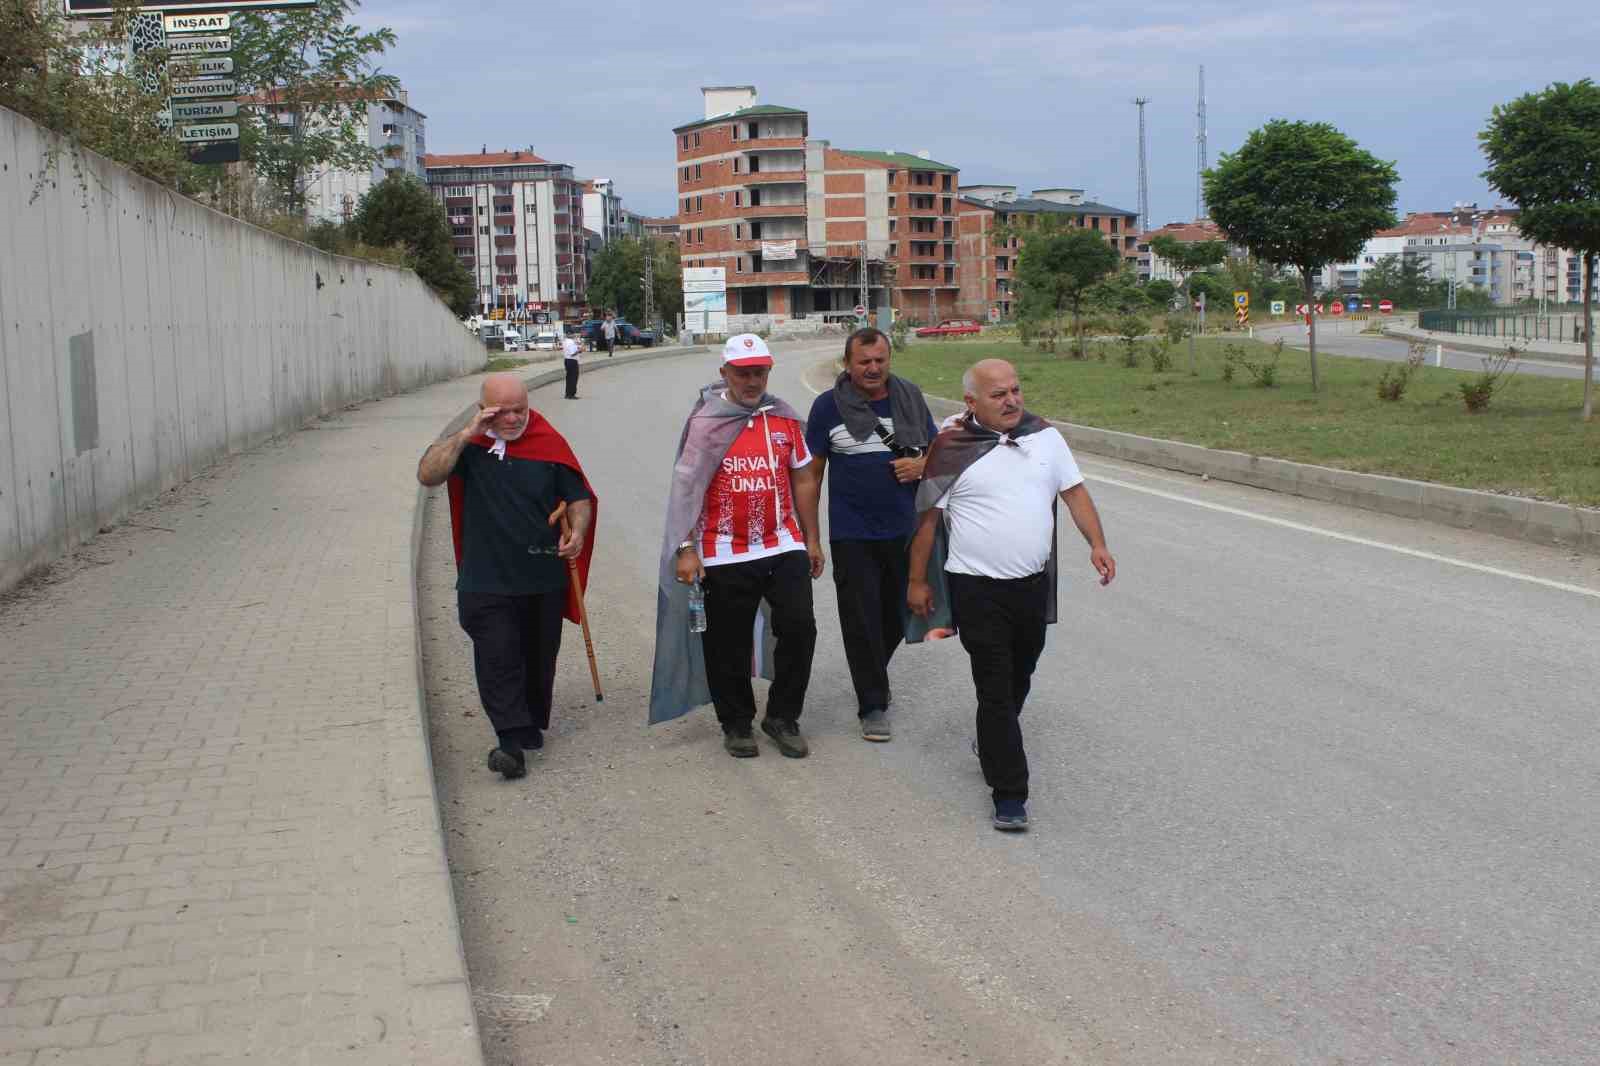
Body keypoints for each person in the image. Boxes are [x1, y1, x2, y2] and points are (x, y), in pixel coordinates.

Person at [906, 359, 1115, 831]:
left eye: (1016, 390)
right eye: (998, 394)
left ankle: (993, 737)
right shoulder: (951, 447)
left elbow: (1075, 494)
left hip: (1031, 585)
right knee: (995, 686)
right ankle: (1009, 793)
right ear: (971, 402)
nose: (1012, 400)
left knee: (1024, 668)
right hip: (975, 587)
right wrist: (917, 580)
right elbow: (927, 521)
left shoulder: (1045, 438)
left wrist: (1097, 545)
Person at [648, 334, 824, 759]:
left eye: (759, 371)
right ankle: (737, 722)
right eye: (743, 372)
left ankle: (782, 716)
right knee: (728, 640)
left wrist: (812, 539)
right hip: (723, 550)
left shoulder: (783, 419)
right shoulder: (707, 423)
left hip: (782, 544)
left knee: (800, 628)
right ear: (724, 373)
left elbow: (803, 478)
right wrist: (686, 547)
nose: (751, 380)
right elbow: (686, 490)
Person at [417, 373, 597, 780]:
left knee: (537, 657)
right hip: (486, 578)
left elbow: (579, 496)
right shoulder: (470, 447)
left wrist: (579, 531)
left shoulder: (548, 443)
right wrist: (467, 433)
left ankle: (528, 723)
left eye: (521, 410)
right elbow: (428, 474)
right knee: (498, 656)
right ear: (484, 410)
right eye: (504, 412)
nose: (515, 419)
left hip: (542, 575)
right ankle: (509, 743)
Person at [804, 327, 935, 741]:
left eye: (880, 360)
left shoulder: (910, 397)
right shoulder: (827, 408)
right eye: (864, 362)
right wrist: (811, 537)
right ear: (848, 364)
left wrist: (922, 465)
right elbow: (811, 476)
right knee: (860, 621)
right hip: (852, 532)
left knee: (900, 612)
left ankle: (874, 673)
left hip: (906, 529)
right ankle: (872, 704)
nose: (873, 368)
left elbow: (938, 451)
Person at [561, 332, 581, 399]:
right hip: (572, 361)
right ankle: (572, 394)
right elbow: (573, 353)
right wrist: (580, 350)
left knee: (569, 378)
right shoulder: (572, 342)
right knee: (573, 378)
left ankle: (567, 394)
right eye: (573, 334)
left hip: (566, 360)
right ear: (571, 335)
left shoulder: (565, 341)